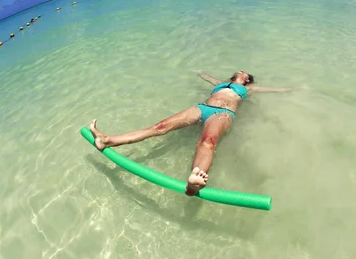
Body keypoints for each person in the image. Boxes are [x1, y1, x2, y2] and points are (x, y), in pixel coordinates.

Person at [89, 71, 292, 196]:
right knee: (160, 127)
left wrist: (290, 89)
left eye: (245, 72)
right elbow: (206, 76)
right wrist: (197, 71)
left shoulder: (250, 89)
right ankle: (107, 140)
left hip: (224, 113)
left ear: (247, 79)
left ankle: (194, 183)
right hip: (203, 107)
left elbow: (274, 90)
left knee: (207, 142)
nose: (241, 71)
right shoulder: (221, 83)